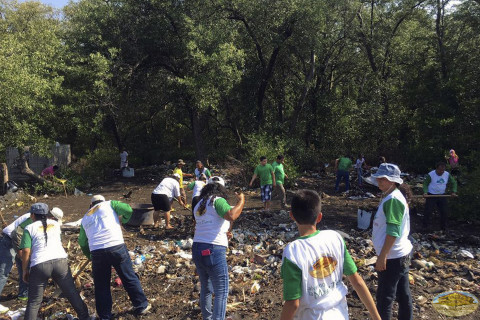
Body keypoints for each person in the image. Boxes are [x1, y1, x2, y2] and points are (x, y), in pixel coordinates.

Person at [280, 190, 380, 320]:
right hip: (340, 314)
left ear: (292, 216)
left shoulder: (293, 251)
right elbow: (358, 282)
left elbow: (293, 303)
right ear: (319, 217)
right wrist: (377, 317)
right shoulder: (335, 238)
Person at [78, 195, 150, 319]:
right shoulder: (110, 204)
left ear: (91, 205)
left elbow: (82, 242)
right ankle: (141, 305)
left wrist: (90, 256)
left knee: (101, 286)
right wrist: (125, 220)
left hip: (97, 252)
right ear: (102, 201)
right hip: (116, 247)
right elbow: (128, 209)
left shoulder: (85, 218)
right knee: (128, 276)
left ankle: (105, 316)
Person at [20, 203, 89, 320]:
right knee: (71, 292)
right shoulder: (56, 224)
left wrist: (25, 270)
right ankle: (85, 317)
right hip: (60, 262)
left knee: (34, 301)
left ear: (32, 215)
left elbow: (26, 251)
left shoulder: (29, 228)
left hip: (40, 264)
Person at [192, 177, 245, 320]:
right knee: (221, 291)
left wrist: (225, 231)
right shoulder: (217, 200)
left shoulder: (199, 204)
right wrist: (241, 200)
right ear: (221, 188)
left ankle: (207, 317)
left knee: (206, 287)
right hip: (213, 249)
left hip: (197, 247)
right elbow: (232, 215)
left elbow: (208, 223)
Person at [370, 163, 413, 320]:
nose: (380, 181)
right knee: (403, 294)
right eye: (379, 178)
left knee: (384, 298)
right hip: (400, 253)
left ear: (393, 181)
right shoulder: (391, 196)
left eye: (384, 179)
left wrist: (382, 256)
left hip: (393, 256)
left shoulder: (393, 199)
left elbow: (393, 231)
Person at [9, 207, 62, 301]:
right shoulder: (34, 221)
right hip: (16, 237)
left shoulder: (42, 219)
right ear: (52, 217)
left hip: (22, 237)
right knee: (26, 264)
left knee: (31, 263)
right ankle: (25, 294)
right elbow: (18, 236)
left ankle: (28, 292)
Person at [0, 211, 32, 313]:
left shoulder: (37, 216)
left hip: (19, 240)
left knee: (25, 266)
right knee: (3, 272)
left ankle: (24, 294)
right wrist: (19, 252)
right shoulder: (32, 218)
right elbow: (15, 234)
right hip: (10, 240)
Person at [422, 162, 457, 231]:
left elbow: (454, 182)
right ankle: (425, 227)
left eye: (443, 170)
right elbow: (425, 184)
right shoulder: (431, 174)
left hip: (442, 195)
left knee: (444, 212)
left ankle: (443, 228)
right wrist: (425, 192)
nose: (441, 172)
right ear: (436, 169)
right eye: (440, 170)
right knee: (428, 211)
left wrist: (453, 191)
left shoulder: (447, 174)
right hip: (431, 195)